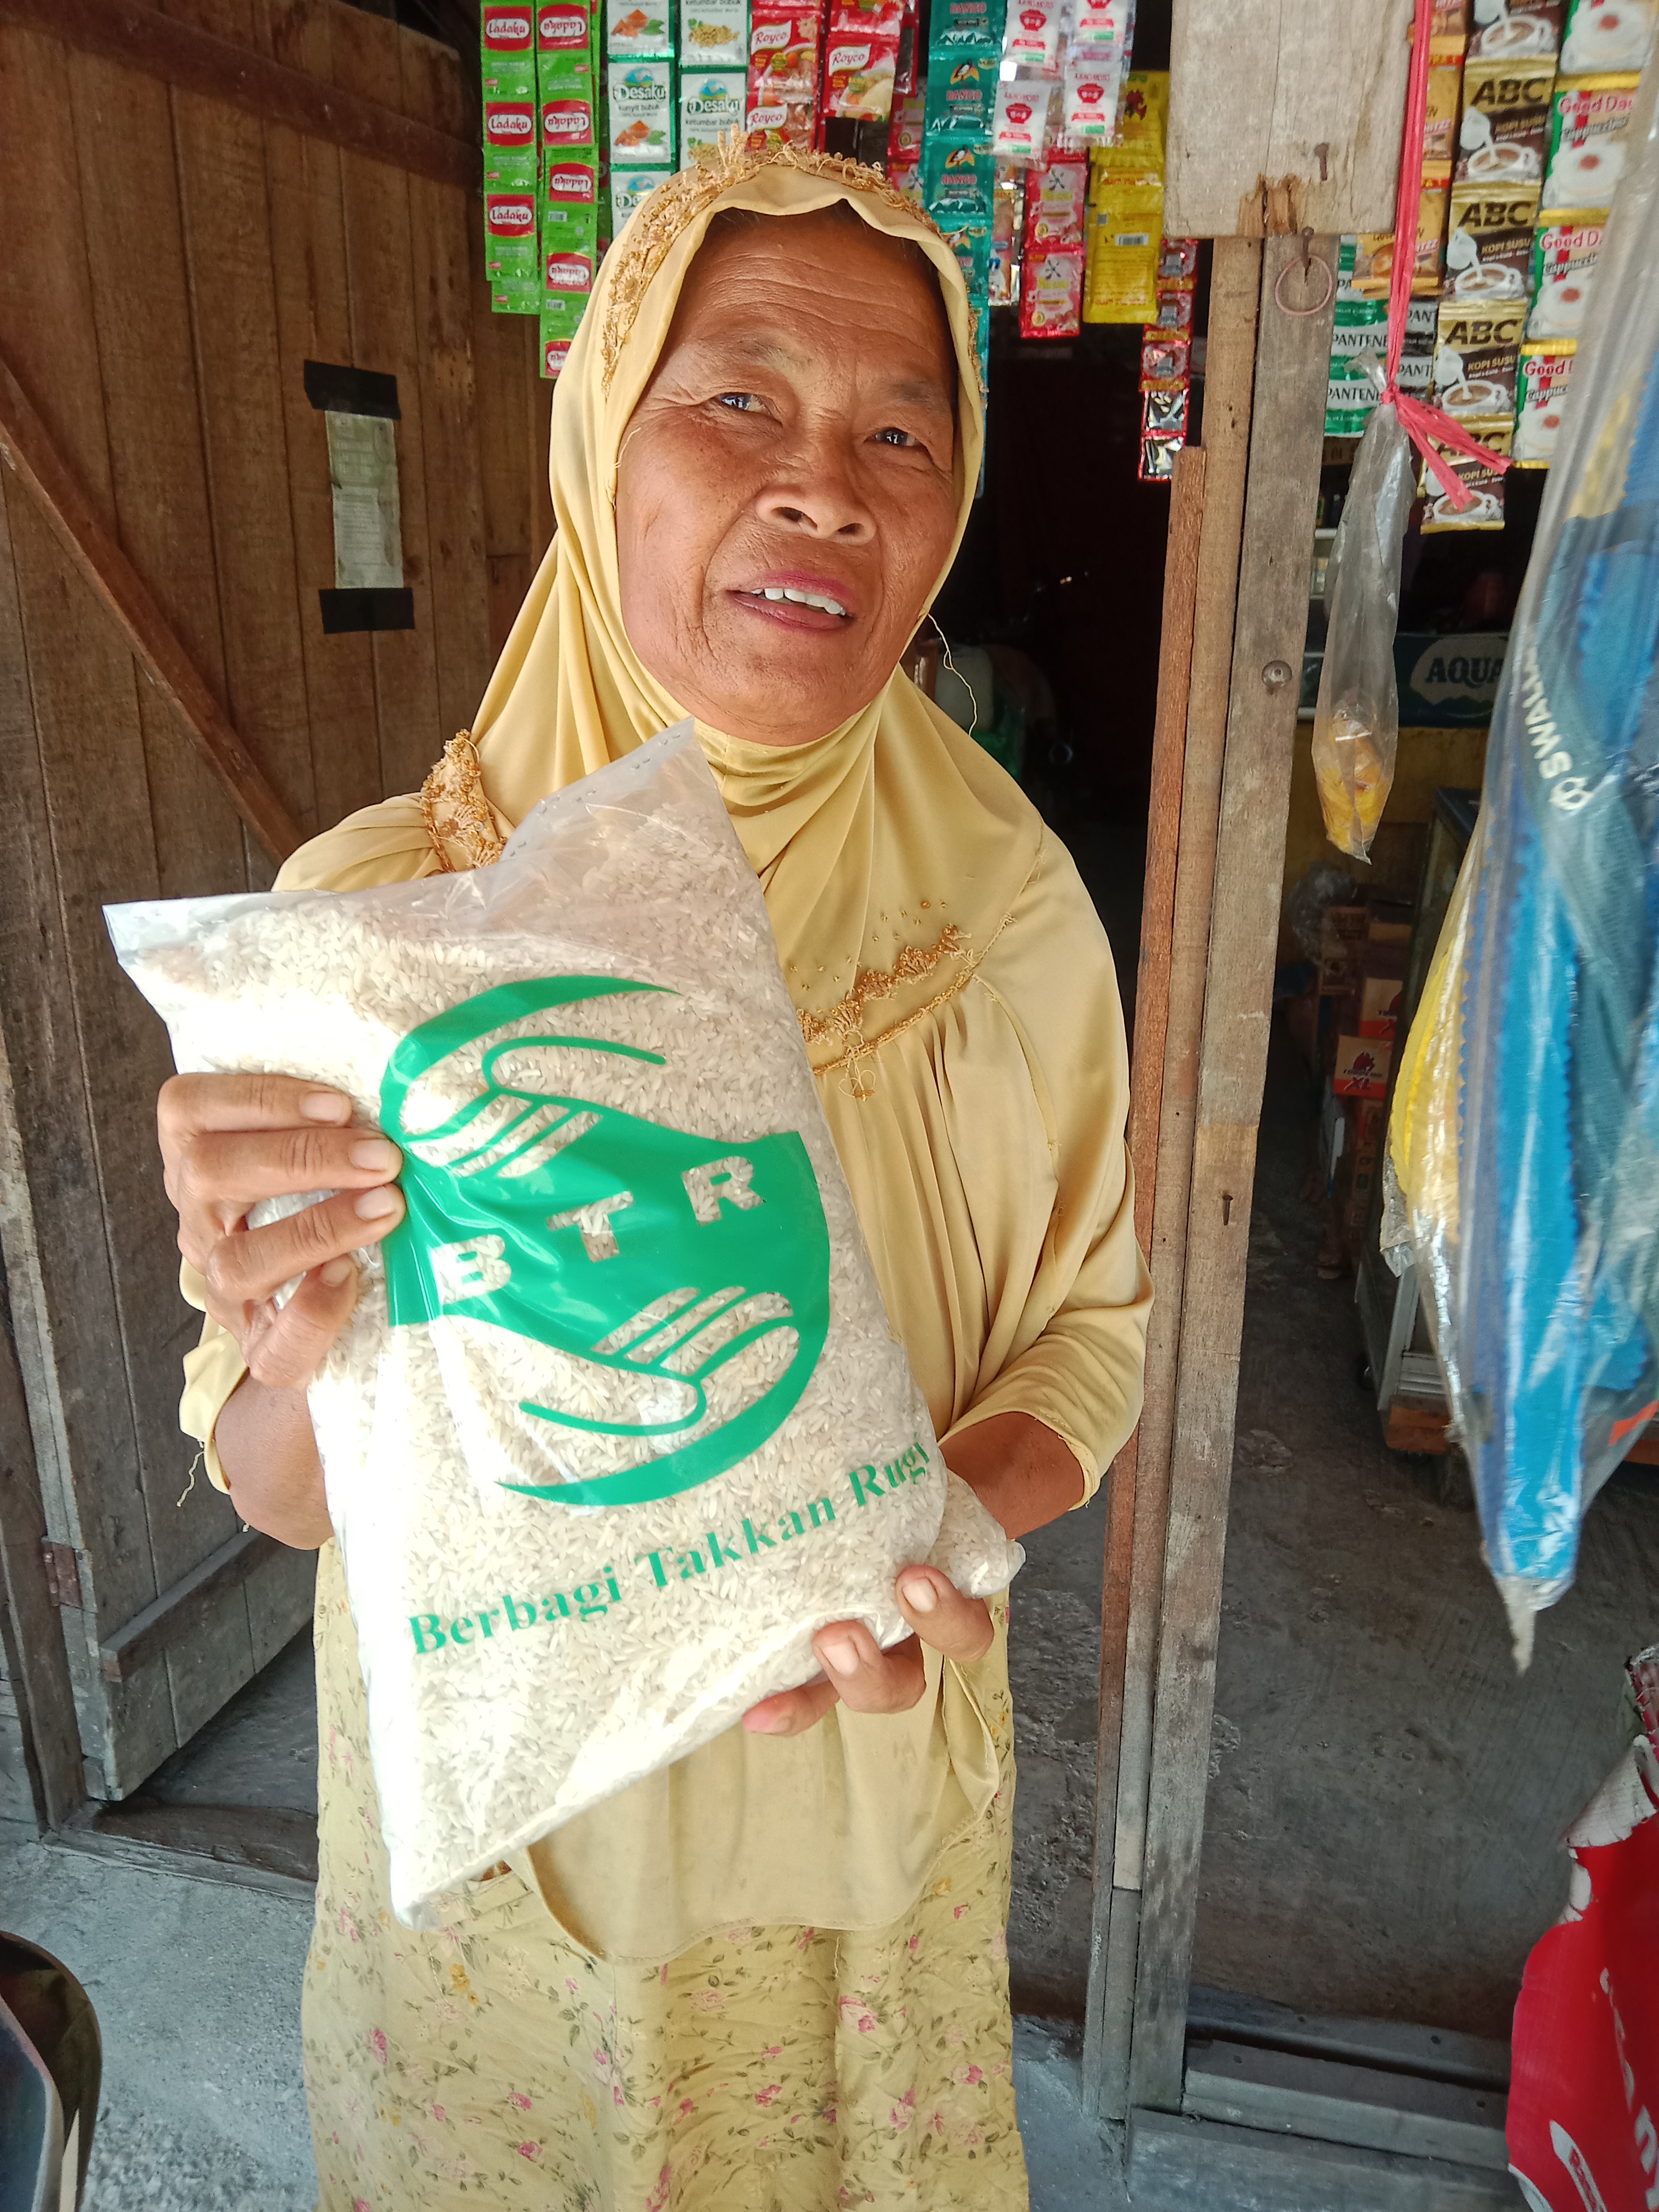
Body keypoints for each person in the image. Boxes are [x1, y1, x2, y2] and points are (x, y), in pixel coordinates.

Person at [159, 143, 1149, 2210]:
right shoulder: (370, 932)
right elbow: (280, 1490)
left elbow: (1091, 1337)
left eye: (901, 433)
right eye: (739, 400)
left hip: (865, 1821)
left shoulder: (1006, 911)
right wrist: (294, 1327)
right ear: (601, 444)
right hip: (511, 1873)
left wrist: (936, 1531)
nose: (828, 489)